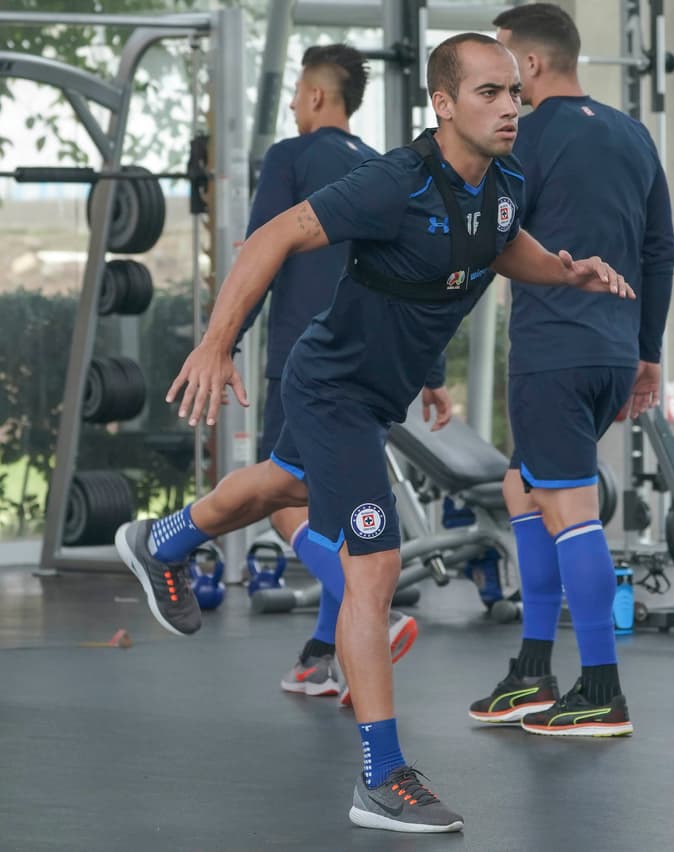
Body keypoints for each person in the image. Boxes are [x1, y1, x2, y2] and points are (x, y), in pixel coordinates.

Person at [116, 32, 631, 833]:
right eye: (489, 94)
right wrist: (218, 342)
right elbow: (272, 236)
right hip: (332, 389)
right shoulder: (396, 181)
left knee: (282, 486)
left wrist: (564, 269)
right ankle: (380, 776)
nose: (509, 108)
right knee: (375, 564)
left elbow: (501, 246)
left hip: (376, 394)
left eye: (513, 95)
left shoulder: (505, 183)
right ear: (444, 103)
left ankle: (163, 539)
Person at [465, 3, 674, 737]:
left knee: (566, 508)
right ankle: (532, 670)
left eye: (500, 65)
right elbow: (659, 251)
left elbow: (480, 246)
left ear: (532, 66)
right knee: (521, 488)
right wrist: (646, 352)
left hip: (553, 353)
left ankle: (600, 688)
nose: (495, 83)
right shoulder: (630, 134)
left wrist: (425, 356)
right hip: (611, 352)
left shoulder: (519, 140)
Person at [234, 44, 419, 703]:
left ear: (315, 98)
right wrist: (431, 377)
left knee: (281, 500)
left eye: (294, 93)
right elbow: (412, 277)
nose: (291, 105)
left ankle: (378, 613)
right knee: (328, 509)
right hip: (370, 364)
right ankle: (322, 654)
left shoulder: (290, 157)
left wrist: (222, 345)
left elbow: (263, 249)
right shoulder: (381, 169)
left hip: (302, 362)